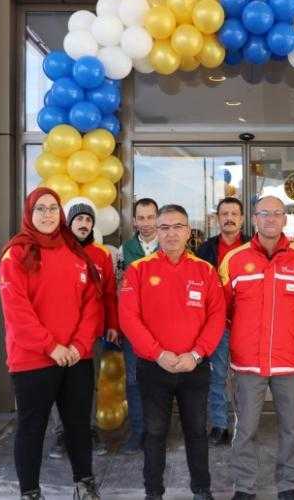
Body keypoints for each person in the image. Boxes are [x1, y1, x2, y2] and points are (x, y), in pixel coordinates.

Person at [0, 187, 103, 500]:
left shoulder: (75, 252)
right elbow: (17, 310)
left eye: (53, 208)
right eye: (40, 209)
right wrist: (51, 347)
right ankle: (30, 492)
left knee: (78, 426)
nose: (47, 215)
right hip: (33, 359)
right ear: (29, 214)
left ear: (61, 214)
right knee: (32, 427)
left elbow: (92, 305)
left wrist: (78, 346)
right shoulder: (16, 253)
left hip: (76, 358)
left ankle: (84, 485)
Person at [119, 204, 225, 500]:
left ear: (188, 232)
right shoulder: (138, 270)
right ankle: (153, 492)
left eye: (178, 226)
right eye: (164, 227)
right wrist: (158, 353)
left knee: (196, 432)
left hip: (194, 367)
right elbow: (128, 317)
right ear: (156, 231)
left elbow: (217, 316)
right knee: (154, 433)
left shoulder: (205, 270)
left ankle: (201, 490)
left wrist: (196, 354)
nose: (171, 233)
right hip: (154, 368)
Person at [219, 196, 294, 500]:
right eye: (264, 213)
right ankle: (244, 486)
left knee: (291, 428)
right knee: (245, 428)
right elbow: (223, 309)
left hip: (289, 362)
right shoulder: (234, 260)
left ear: (284, 219)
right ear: (254, 219)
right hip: (247, 362)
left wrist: (293, 334)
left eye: (277, 213)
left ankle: (289, 485)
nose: (271, 219)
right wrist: (242, 334)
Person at [48, 198, 120, 459]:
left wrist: (113, 324)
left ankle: (89, 430)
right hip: (60, 333)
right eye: (79, 219)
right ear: (69, 223)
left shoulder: (101, 255)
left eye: (88, 220)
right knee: (58, 384)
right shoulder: (57, 251)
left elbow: (109, 293)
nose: (84, 223)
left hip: (92, 334)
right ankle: (61, 434)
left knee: (89, 385)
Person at [195, 197, 249, 446]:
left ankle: (245, 425)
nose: (229, 218)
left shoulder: (254, 247)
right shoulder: (205, 250)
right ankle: (219, 425)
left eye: (234, 214)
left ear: (242, 218)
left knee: (246, 380)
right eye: (224, 214)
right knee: (217, 377)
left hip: (247, 325)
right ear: (217, 219)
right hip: (216, 325)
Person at [117, 197, 159, 454]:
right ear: (133, 221)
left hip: (163, 328)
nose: (146, 223)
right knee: (134, 381)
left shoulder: (168, 245)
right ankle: (138, 431)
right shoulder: (125, 250)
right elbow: (118, 288)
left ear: (158, 218)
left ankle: (157, 432)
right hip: (133, 328)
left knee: (160, 382)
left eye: (150, 217)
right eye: (141, 218)